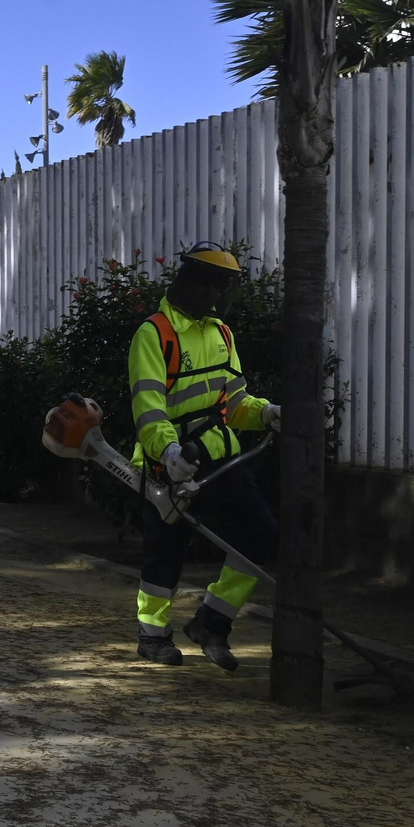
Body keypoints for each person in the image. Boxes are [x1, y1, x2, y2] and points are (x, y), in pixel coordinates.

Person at [128, 241, 282, 672]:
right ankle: (153, 636)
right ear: (190, 281)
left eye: (222, 288)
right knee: (166, 550)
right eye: (212, 286)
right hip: (168, 464)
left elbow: (234, 403)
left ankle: (212, 622)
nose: (216, 297)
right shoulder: (154, 333)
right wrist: (168, 451)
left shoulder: (221, 334)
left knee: (260, 535)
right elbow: (148, 406)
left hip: (219, 460)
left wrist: (265, 412)